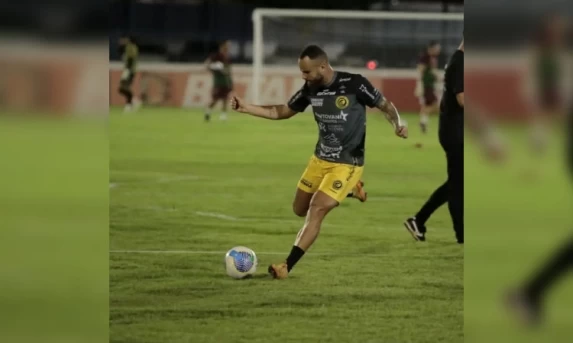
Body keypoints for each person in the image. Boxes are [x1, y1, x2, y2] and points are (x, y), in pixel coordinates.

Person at [230, 45, 407, 279]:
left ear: (322, 67)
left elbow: (385, 104)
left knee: (316, 209)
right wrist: (246, 108)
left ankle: (286, 266)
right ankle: (352, 190)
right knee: (299, 209)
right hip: (319, 159)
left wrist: (397, 124)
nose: (303, 77)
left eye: (306, 72)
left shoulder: (355, 83)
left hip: (348, 163)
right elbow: (283, 111)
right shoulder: (311, 88)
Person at [404, 38, 464, 244]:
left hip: (455, 129)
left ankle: (419, 221)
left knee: (458, 183)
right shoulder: (460, 62)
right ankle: (460, 235)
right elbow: (462, 99)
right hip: (454, 132)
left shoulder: (459, 61)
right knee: (458, 184)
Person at [415, 41, 442, 135]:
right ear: (431, 48)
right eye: (437, 48)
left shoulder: (432, 58)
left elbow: (432, 70)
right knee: (435, 104)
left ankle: (423, 122)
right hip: (426, 85)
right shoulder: (425, 57)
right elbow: (420, 70)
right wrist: (419, 85)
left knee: (427, 105)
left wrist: (438, 77)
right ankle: (423, 122)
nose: (439, 50)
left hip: (430, 84)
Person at [204, 40, 233, 122]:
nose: (228, 48)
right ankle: (208, 112)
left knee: (225, 99)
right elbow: (207, 65)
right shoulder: (216, 56)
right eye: (227, 46)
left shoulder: (228, 57)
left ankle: (223, 116)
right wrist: (215, 67)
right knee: (215, 99)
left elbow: (228, 70)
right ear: (222, 46)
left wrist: (230, 81)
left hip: (226, 81)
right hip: (218, 82)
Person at [118, 35, 140, 113]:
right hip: (129, 70)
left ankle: (129, 104)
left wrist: (127, 70)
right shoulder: (132, 47)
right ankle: (133, 102)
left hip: (129, 70)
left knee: (123, 88)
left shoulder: (131, 47)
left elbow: (131, 58)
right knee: (122, 88)